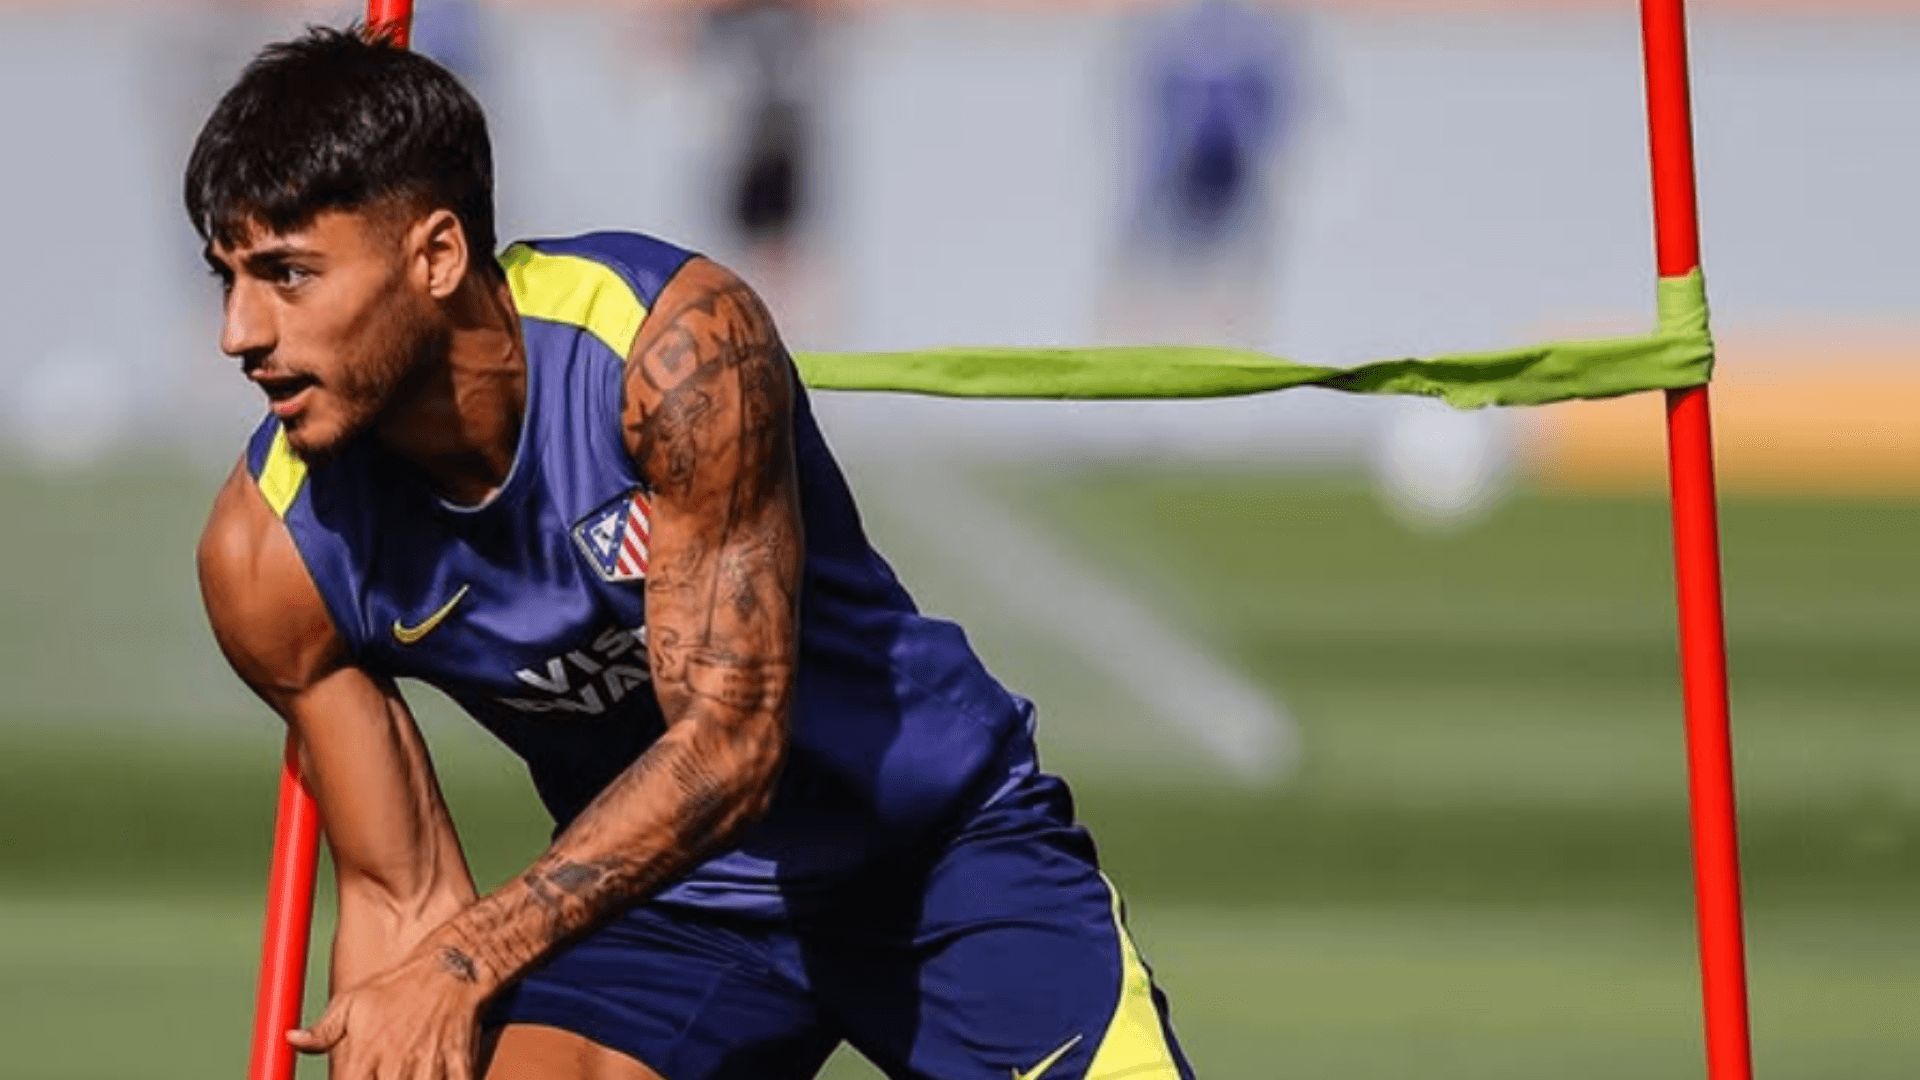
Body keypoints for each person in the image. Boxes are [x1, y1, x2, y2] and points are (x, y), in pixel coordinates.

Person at [190, 26, 1191, 1080]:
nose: (240, 333)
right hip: (664, 909)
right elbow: (404, 902)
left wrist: (466, 957)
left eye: (287, 275)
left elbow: (728, 750)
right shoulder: (272, 552)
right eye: (227, 278)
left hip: (932, 856)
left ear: (436, 255)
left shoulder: (671, 352)